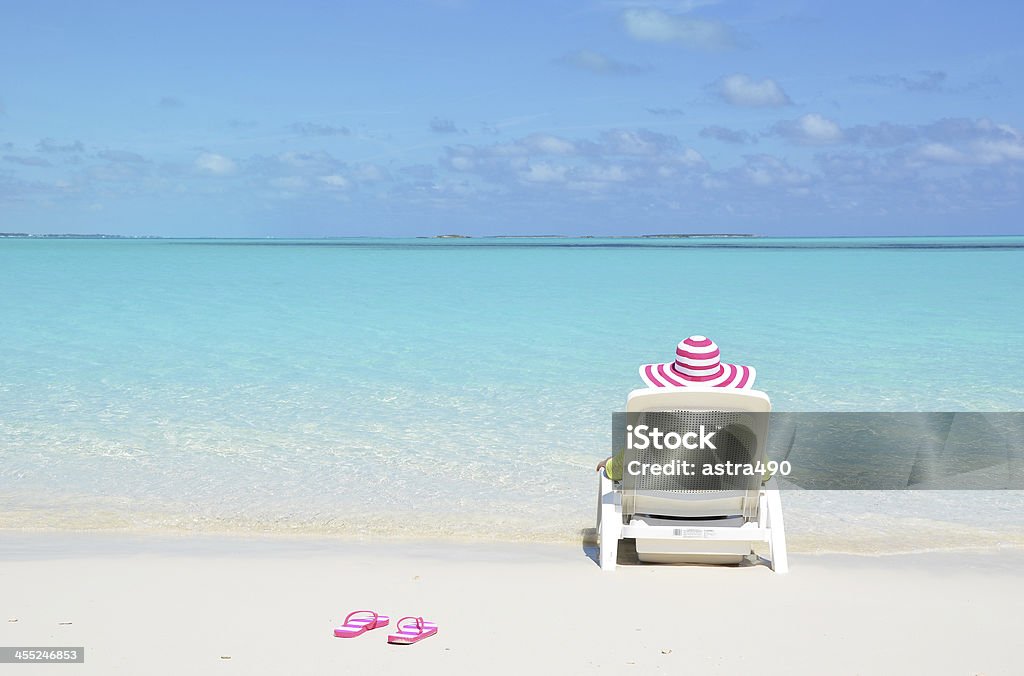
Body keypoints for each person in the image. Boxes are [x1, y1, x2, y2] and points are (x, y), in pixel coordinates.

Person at [596, 335, 757, 480]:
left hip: (657, 508)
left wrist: (608, 464)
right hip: (724, 510)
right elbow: (763, 472)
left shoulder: (653, 416)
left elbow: (622, 468)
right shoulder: (740, 418)